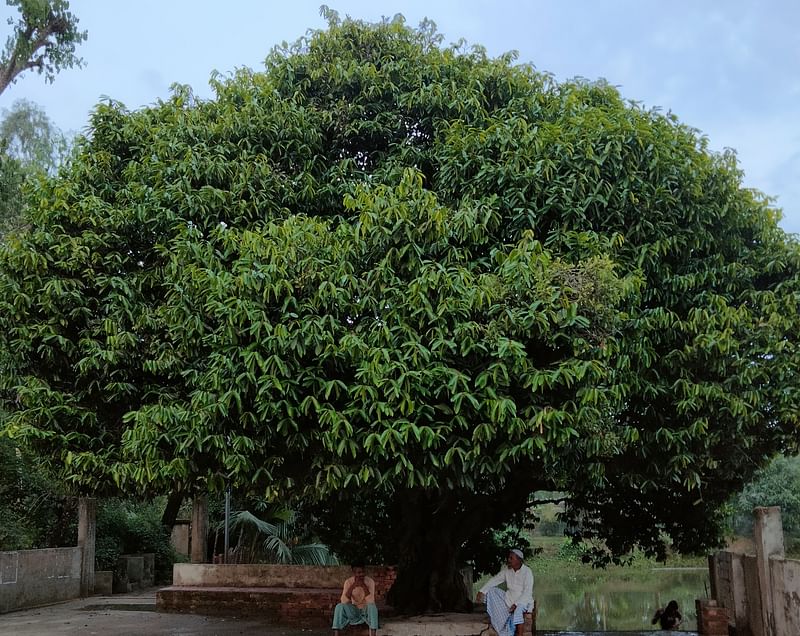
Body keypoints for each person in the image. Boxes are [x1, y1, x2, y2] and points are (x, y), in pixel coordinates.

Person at [476, 548, 534, 636]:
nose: (508, 560)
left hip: (524, 600)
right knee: (491, 591)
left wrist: (517, 604)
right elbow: (494, 580)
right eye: (509, 558)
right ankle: (499, 622)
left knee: (518, 611)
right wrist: (482, 591)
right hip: (509, 598)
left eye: (511, 558)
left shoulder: (527, 572)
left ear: (519, 560)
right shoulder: (507, 570)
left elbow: (527, 591)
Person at [332, 562, 379, 636]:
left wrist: (363, 586)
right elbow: (343, 601)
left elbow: (371, 601)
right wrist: (353, 586)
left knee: (372, 607)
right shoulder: (348, 582)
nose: (361, 574)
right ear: (354, 573)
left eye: (363, 572)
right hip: (354, 611)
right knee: (339, 606)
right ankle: (336, 634)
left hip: (366, 611)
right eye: (359, 572)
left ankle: (373, 634)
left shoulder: (370, 581)